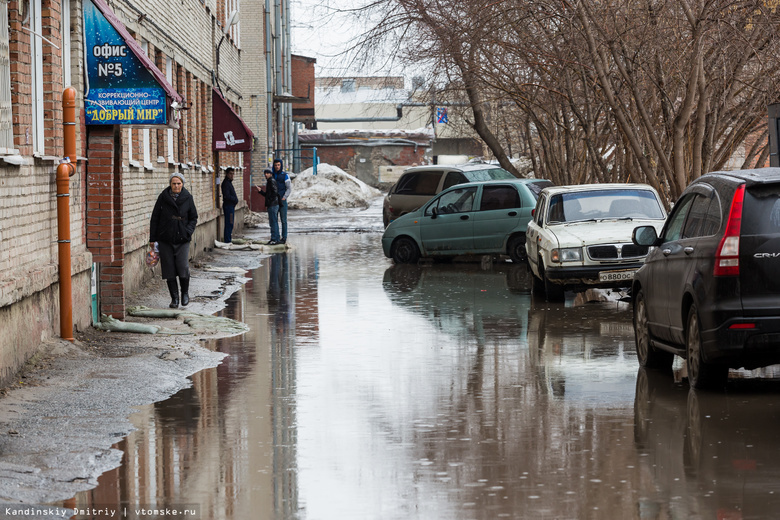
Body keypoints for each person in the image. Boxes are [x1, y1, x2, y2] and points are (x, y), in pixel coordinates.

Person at [149, 172, 198, 308]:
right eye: (174, 183)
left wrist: (188, 231)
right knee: (169, 268)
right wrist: (153, 238)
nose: (176, 186)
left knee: (182, 266)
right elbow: (155, 218)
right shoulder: (163, 197)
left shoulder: (187, 197)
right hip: (165, 238)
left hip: (182, 238)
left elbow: (193, 217)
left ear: (182, 184)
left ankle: (185, 294)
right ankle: (174, 298)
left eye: (179, 183)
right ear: (170, 184)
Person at [256, 168, 281, 245]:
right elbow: (268, 194)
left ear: (270, 174)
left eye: (267, 173)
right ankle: (275, 238)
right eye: (265, 173)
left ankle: (275, 239)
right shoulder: (270, 181)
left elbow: (274, 192)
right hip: (273, 204)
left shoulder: (271, 181)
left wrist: (270, 200)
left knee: (273, 222)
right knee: (274, 222)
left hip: (273, 205)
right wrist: (261, 191)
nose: (265, 175)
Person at [272, 158, 292, 244]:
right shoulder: (272, 175)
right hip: (274, 201)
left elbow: (289, 188)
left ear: (281, 165)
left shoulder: (285, 175)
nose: (277, 167)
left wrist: (284, 197)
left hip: (282, 201)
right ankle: (276, 237)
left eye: (278, 165)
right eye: (276, 165)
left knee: (283, 220)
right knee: (274, 220)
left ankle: (284, 237)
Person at [221, 167, 239, 243]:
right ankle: (227, 240)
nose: (232, 176)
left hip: (230, 206)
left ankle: (228, 239)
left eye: (233, 174)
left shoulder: (229, 183)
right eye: (230, 174)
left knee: (230, 223)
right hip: (228, 206)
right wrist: (235, 199)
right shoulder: (226, 183)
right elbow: (227, 196)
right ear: (227, 174)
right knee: (229, 223)